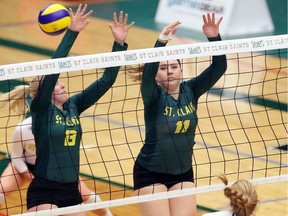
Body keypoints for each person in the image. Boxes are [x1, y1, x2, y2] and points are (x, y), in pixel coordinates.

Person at [24, 3, 134, 215]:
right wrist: (71, 33)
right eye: (56, 84)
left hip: (72, 190)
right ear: (44, 90)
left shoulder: (73, 106)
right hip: (45, 190)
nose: (63, 84)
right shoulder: (41, 108)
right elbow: (55, 68)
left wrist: (119, 44)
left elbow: (106, 80)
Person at [131, 13, 227, 216]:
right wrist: (161, 40)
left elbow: (220, 67)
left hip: (182, 173)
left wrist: (214, 37)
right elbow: (147, 74)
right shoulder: (153, 96)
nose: (169, 71)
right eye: (163, 68)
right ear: (157, 74)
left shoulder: (190, 90)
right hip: (150, 173)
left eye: (174, 66)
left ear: (181, 70)